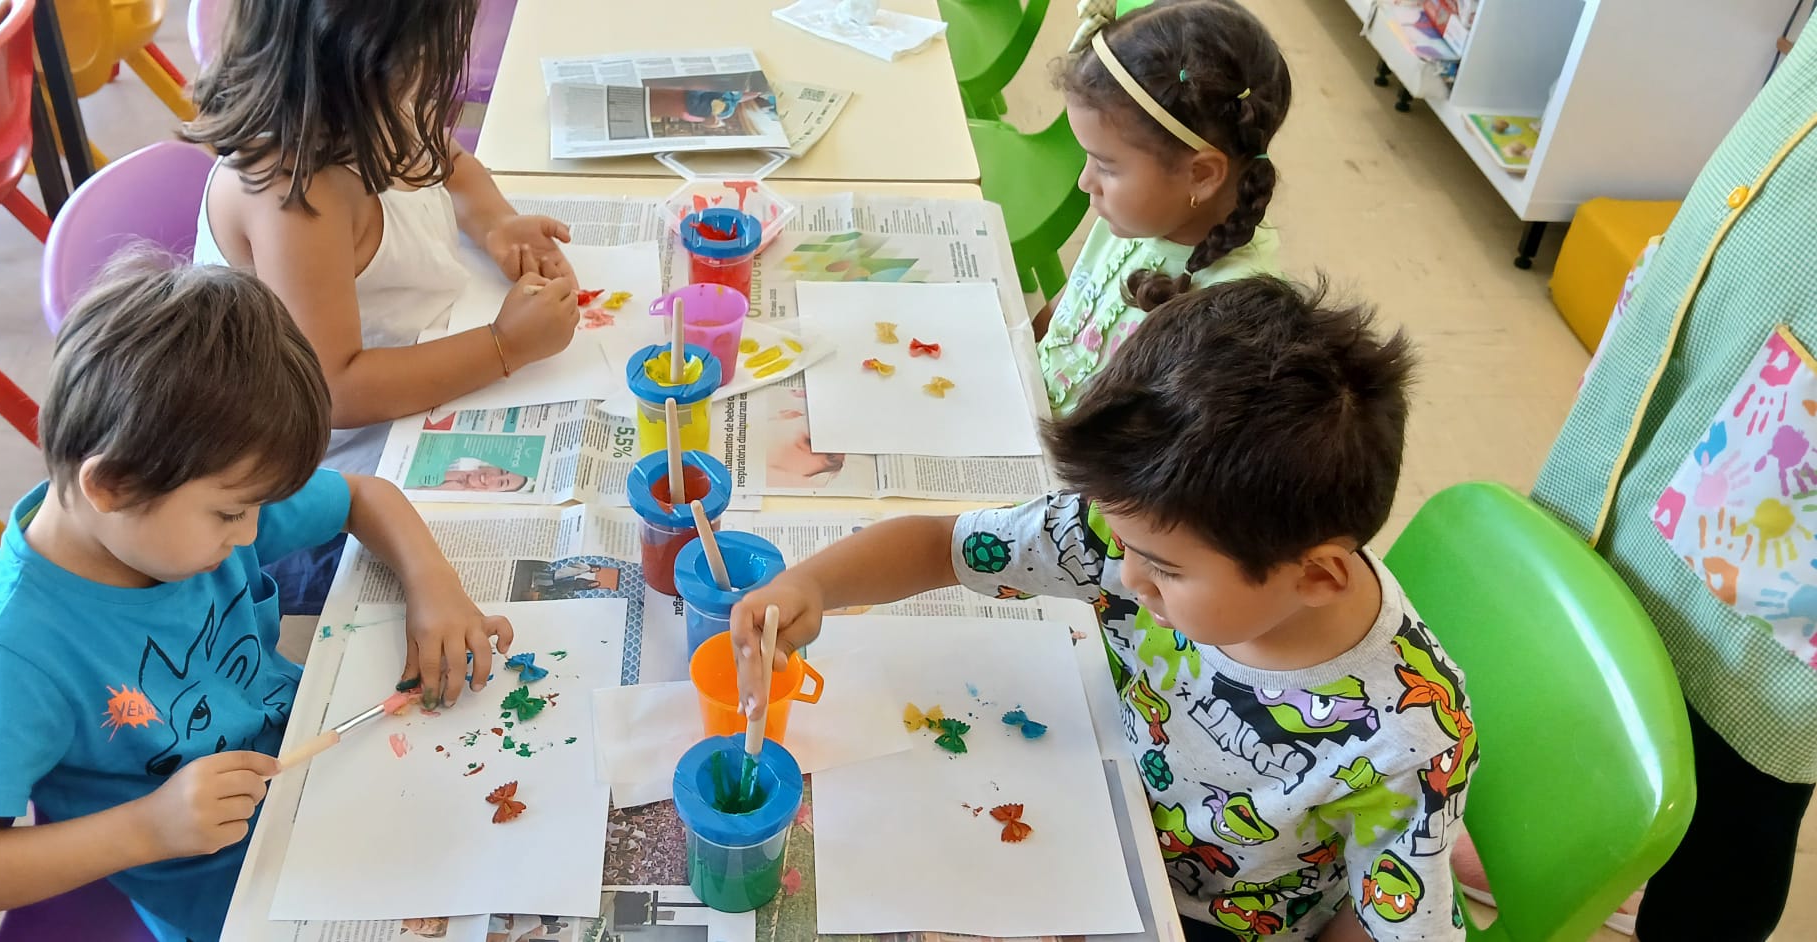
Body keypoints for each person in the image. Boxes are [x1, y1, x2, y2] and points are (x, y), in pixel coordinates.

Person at [730, 276, 1470, 941]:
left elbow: (1384, 924)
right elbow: (940, 546)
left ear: (1316, 576)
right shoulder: (1141, 531)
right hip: (1091, 790)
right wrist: (809, 587)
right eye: (1121, 542)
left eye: (1165, 570)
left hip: (1218, 917)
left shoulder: (1407, 737)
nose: (1124, 573)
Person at [0, 261, 513, 942]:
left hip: (326, 782)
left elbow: (362, 496)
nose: (251, 534)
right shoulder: (12, 655)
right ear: (111, 486)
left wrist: (434, 588)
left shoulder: (178, 497)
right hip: (234, 894)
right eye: (230, 514)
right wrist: (149, 827)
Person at [1526, 38, 1817, 942]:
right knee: (1588, 640)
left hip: (1788, 470)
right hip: (1729, 310)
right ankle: (1571, 856)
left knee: (1737, 767)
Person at [184, 0, 580, 477]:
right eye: (420, 54)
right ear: (365, 54)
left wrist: (495, 222)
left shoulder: (367, 98)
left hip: (425, 369)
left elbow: (447, 161)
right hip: (331, 457)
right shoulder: (292, 193)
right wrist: (504, 345)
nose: (423, 72)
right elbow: (334, 389)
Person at [1040, 0, 1290, 414]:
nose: (1085, 182)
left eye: (1106, 165)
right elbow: (1066, 309)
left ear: (1201, 175)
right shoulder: (1134, 219)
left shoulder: (1229, 320)